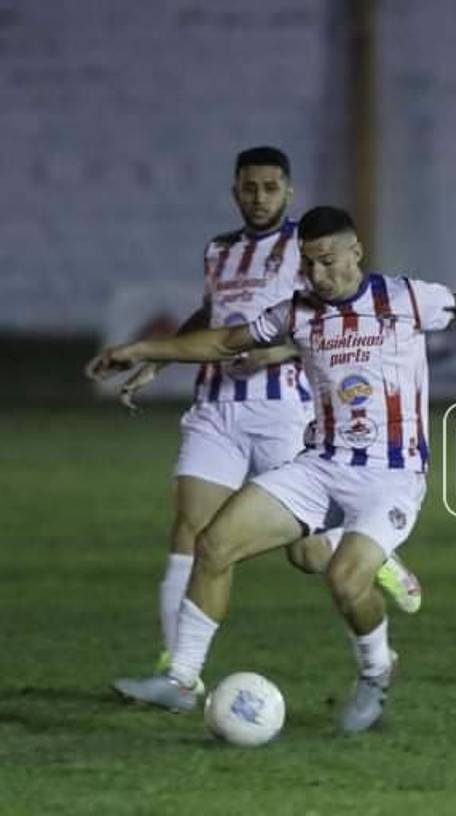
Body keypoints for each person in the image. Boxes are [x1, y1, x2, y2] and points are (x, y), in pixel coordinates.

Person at [87, 205, 456, 732]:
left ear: (355, 252)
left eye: (327, 261)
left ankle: (375, 672)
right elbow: (225, 340)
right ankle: (182, 679)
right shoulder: (297, 312)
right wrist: (141, 348)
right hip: (320, 467)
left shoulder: (407, 297)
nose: (317, 274)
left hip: (392, 476)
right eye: (308, 263)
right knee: (214, 544)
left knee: (345, 579)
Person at [112, 148, 422, 695]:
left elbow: (331, 320)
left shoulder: (310, 247)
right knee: (193, 531)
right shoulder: (219, 250)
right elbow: (211, 317)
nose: (259, 197)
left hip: (285, 409)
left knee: (307, 554)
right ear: (235, 190)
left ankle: (375, 555)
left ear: (289, 191)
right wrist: (158, 358)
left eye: (270, 187)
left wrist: (279, 353)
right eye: (249, 187)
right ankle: (178, 671)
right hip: (217, 406)